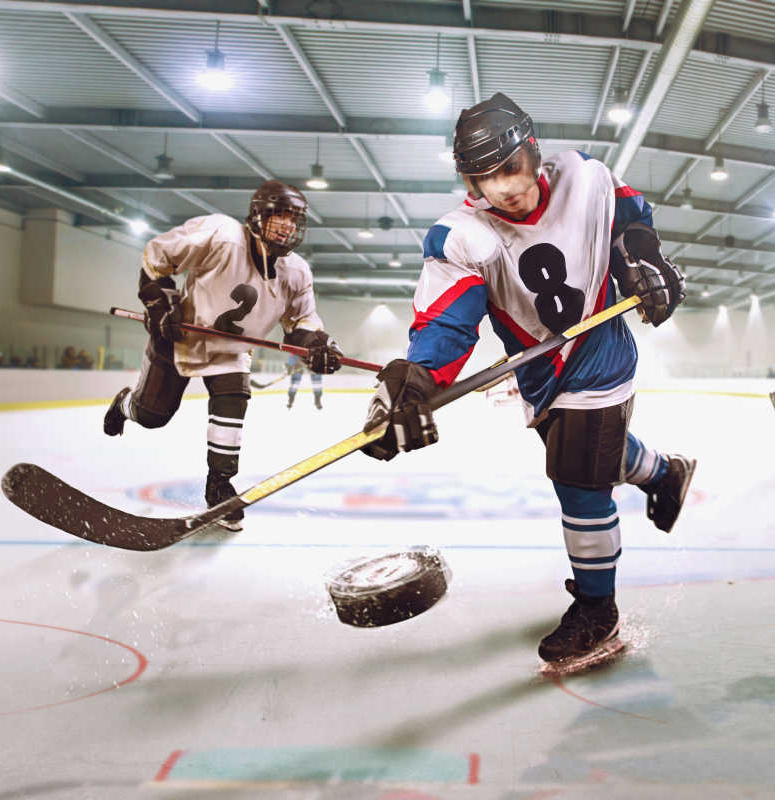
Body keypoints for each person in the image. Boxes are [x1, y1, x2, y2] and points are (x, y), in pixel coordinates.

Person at [360, 93, 695, 665]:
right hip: (539, 375)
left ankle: (598, 611)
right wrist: (414, 383)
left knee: (577, 480)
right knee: (595, 457)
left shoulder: (585, 176)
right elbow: (448, 324)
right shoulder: (461, 236)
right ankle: (664, 473)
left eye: (511, 168)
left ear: (532, 153)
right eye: (486, 178)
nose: (505, 188)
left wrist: (644, 260)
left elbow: (629, 217)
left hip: (600, 353)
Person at [103, 180, 343, 530]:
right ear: (259, 216)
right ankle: (126, 404)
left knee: (233, 401)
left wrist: (318, 345)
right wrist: (160, 301)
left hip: (232, 352)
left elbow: (301, 322)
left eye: (294, 219)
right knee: (153, 416)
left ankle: (219, 486)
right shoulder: (221, 234)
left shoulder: (296, 271)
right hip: (180, 338)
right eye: (280, 215)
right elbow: (158, 257)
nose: (289, 225)